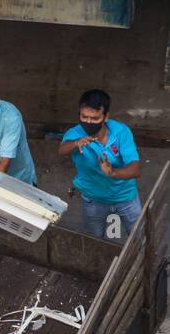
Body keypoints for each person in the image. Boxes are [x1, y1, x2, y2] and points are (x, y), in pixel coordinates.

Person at [59, 89, 142, 241]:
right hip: (93, 199)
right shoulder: (75, 133)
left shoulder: (121, 132)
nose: (88, 122)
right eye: (84, 117)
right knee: (96, 242)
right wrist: (76, 143)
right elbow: (62, 150)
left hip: (125, 198)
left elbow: (135, 169)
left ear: (106, 117)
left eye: (94, 118)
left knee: (139, 240)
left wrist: (112, 173)